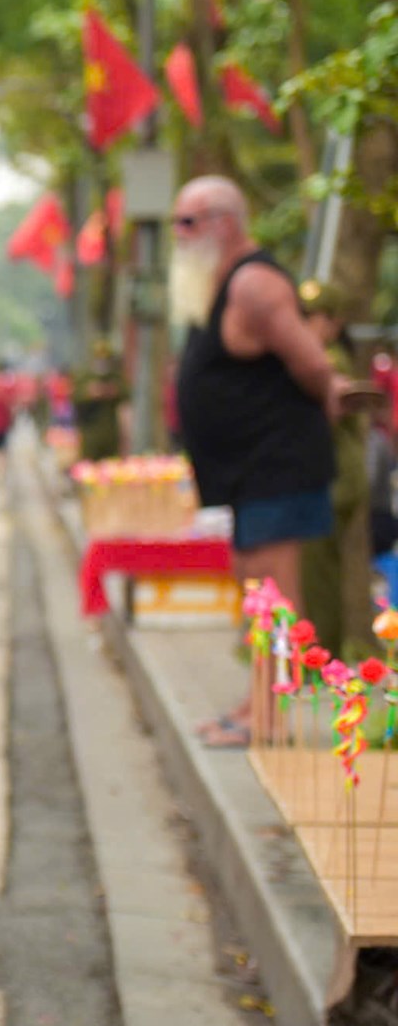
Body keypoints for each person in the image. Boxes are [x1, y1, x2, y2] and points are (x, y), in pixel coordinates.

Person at [171, 176, 343, 747]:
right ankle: (255, 702)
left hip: (278, 463)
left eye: (188, 222)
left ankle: (271, 718)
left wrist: (332, 396)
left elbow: (312, 363)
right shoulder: (217, 286)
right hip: (246, 471)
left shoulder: (254, 284)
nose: (179, 235)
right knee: (254, 590)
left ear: (225, 222)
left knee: (274, 593)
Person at [298, 281, 373, 660]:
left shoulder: (328, 362)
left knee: (319, 576)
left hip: (336, 480)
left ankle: (323, 659)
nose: (309, 324)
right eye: (304, 316)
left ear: (334, 322)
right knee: (317, 574)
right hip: (333, 477)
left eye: (317, 317)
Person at [69, 338, 129, 463]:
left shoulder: (115, 376)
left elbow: (126, 393)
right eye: (99, 357)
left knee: (111, 466)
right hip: (90, 430)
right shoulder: (84, 376)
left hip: (110, 430)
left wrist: (112, 391)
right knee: (89, 466)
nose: (102, 361)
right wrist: (90, 393)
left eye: (105, 357)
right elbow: (74, 397)